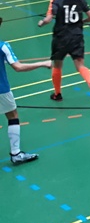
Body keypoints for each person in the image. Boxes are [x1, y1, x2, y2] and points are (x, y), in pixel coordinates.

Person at [38, 0, 90, 103]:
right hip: (76, 37)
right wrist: (81, 21)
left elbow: (48, 19)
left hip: (60, 37)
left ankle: (57, 93)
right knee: (80, 65)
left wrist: (42, 22)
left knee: (57, 65)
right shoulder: (81, 0)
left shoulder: (55, 1)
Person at [0, 18, 52, 165]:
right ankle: (16, 154)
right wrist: (43, 63)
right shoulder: (3, 46)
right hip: (1, 89)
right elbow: (18, 67)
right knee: (12, 115)